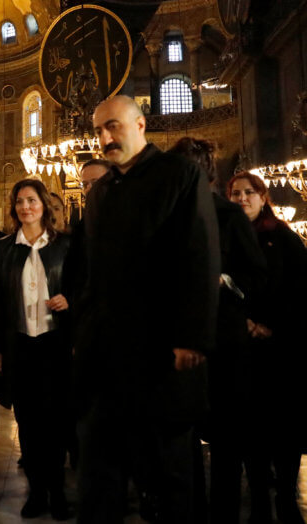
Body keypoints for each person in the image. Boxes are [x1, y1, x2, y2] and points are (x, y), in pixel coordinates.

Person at [75, 96, 220, 523]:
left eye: (113, 126)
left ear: (140, 125)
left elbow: (200, 257)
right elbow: (91, 272)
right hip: (107, 354)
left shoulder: (180, 174)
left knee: (167, 471)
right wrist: (84, 333)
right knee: (101, 469)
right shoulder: (101, 192)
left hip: (162, 353)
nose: (105, 137)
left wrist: (191, 338)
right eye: (99, 130)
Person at [168, 138, 267, 522]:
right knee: (181, 440)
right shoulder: (166, 216)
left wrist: (223, 280)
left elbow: (256, 275)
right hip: (176, 345)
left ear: (203, 173)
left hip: (224, 344)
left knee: (227, 440)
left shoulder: (229, 216)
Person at [0, 178, 74, 519]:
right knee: (28, 422)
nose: (26, 207)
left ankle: (58, 491)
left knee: (57, 422)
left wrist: (69, 300)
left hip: (56, 344)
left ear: (44, 205)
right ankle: (37, 492)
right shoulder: (5, 248)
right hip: (20, 345)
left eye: (32, 200)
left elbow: (84, 288)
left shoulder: (65, 245)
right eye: (20, 201)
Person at [227, 171, 307, 524]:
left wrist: (271, 325)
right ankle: (259, 499)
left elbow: (300, 289)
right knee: (250, 430)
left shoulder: (283, 238)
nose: (242, 198)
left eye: (249, 192)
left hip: (280, 349)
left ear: (263, 197)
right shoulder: (226, 238)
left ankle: (286, 498)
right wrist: (242, 321)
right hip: (242, 350)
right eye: (236, 193)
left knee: (284, 429)